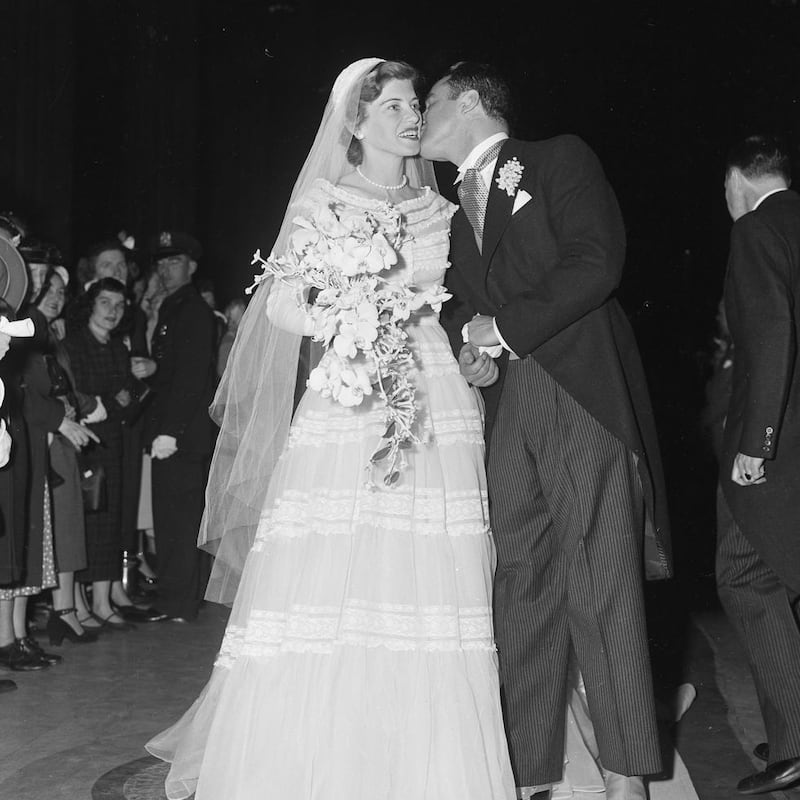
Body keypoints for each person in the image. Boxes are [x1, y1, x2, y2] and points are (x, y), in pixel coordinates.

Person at [146, 58, 517, 800]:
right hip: (351, 392)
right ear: (356, 121)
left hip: (432, 391)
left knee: (428, 571)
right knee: (338, 566)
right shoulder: (325, 200)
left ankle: (421, 760)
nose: (412, 118)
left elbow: (456, 301)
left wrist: (473, 351)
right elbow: (281, 303)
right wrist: (343, 321)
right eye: (394, 108)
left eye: (416, 105)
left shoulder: (437, 207)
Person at [421, 62, 672, 798]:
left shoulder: (558, 157)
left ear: (468, 102)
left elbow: (596, 261)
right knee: (519, 584)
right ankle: (527, 773)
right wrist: (471, 343)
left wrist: (502, 329)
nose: (419, 117)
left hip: (578, 393)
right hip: (505, 411)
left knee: (600, 583)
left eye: (429, 102)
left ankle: (627, 776)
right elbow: (454, 304)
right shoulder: (441, 210)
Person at [716, 134, 800, 796]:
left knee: (744, 574)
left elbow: (771, 331)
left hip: (779, 444)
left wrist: (756, 440)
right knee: (777, 576)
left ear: (739, 180)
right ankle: (789, 739)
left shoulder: (754, 231)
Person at [63, 278, 150, 631]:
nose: (112, 311)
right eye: (105, 303)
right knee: (88, 523)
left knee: (110, 521)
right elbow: (81, 397)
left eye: (119, 304)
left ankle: (102, 600)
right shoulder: (73, 345)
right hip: (82, 445)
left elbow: (129, 398)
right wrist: (111, 401)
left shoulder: (117, 349)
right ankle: (84, 602)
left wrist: (109, 403)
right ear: (90, 305)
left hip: (112, 442)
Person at [143, 231, 216, 623]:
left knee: (179, 521)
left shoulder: (192, 311)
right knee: (170, 521)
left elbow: (190, 379)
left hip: (181, 435)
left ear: (192, 266)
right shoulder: (173, 307)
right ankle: (173, 597)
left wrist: (171, 431)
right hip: (170, 431)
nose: (165, 269)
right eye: (161, 263)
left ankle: (180, 602)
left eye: (174, 262)